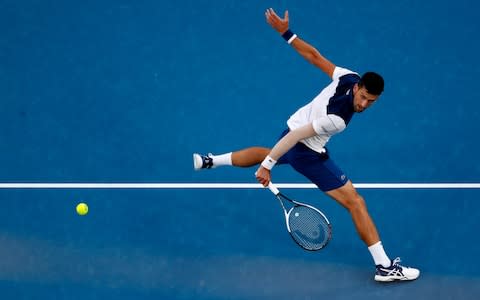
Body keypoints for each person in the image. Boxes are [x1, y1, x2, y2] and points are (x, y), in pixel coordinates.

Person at [193, 8, 419, 282]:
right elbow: (297, 137)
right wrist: (267, 167)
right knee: (356, 202)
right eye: (363, 98)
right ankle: (384, 267)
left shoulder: (347, 77)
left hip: (290, 128)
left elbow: (314, 57)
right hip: (306, 151)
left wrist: (286, 33)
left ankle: (209, 161)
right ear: (358, 87)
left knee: (268, 151)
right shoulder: (338, 119)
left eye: (371, 102)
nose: (364, 105)